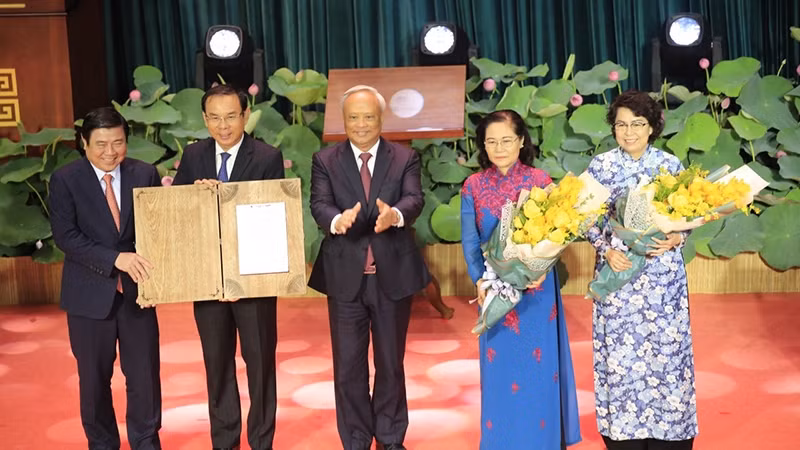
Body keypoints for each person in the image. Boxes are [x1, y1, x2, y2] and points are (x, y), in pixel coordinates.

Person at [308, 85, 430, 450]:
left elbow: (414, 198)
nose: (360, 125)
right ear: (343, 120)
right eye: (353, 117)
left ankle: (390, 437)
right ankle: (356, 439)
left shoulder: (404, 157)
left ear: (381, 118)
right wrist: (337, 220)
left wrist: (395, 215)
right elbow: (319, 204)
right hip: (345, 278)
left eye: (368, 117)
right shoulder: (325, 160)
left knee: (390, 363)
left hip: (392, 276)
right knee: (348, 367)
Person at [460, 109, 582, 449]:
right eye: (491, 142)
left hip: (537, 292)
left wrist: (538, 271)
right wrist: (480, 282)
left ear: (521, 141)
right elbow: (470, 242)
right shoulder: (473, 185)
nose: (499, 148)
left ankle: (542, 441)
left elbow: (558, 234)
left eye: (507, 140)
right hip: (495, 292)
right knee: (500, 375)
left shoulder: (539, 180)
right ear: (483, 145)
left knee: (539, 373)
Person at [173, 84, 284, 450]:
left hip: (253, 280)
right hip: (208, 278)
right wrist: (197, 197)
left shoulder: (267, 156)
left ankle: (261, 442)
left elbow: (274, 218)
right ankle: (224, 442)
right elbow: (178, 213)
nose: (223, 126)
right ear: (205, 119)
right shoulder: (193, 156)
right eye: (215, 118)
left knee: (260, 365)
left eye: (231, 117)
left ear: (245, 115)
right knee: (217, 365)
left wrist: (227, 200)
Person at [586, 90, 698, 450]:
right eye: (621, 125)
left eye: (637, 124)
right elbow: (586, 219)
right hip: (618, 276)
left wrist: (678, 237)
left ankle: (671, 433)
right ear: (613, 128)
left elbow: (690, 214)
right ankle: (623, 436)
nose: (629, 132)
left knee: (668, 359)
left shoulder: (670, 165)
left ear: (652, 127)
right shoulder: (600, 166)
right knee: (620, 361)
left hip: (662, 278)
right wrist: (605, 249)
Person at [49, 106, 162, 449]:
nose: (110, 152)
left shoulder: (145, 173)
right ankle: (102, 444)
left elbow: (158, 229)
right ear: (84, 142)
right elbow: (66, 237)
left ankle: (146, 442)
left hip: (138, 293)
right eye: (101, 144)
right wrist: (115, 259)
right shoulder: (66, 180)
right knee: (94, 381)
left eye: (118, 142)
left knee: (144, 378)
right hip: (88, 296)